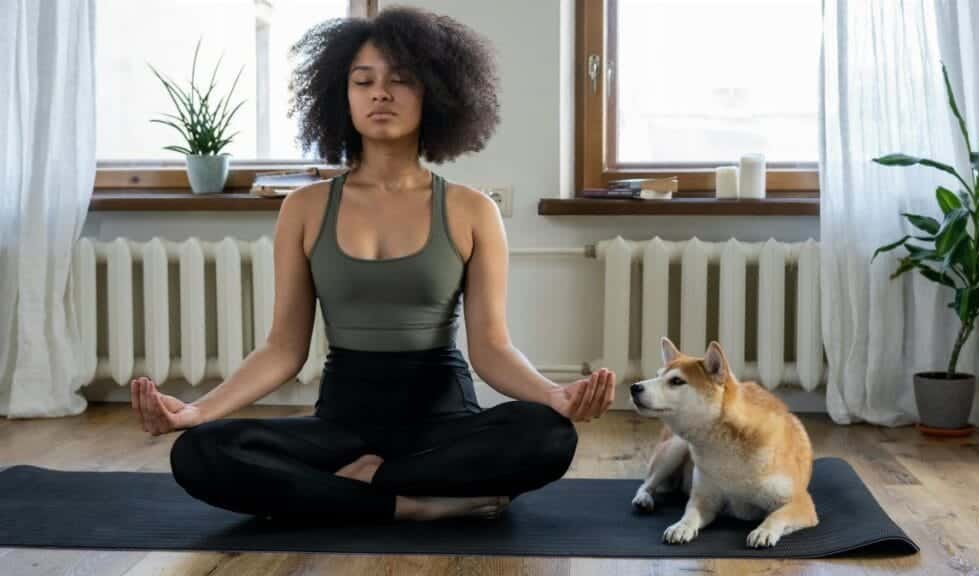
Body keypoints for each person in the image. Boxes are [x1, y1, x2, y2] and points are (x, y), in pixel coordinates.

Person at [129, 6, 616, 524]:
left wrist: (553, 395)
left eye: (401, 80)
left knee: (547, 437)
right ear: (342, 97)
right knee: (200, 452)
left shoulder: (472, 210)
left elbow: (491, 348)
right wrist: (199, 410)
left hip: (443, 424)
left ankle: (362, 489)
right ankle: (411, 503)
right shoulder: (305, 208)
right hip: (342, 427)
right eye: (363, 81)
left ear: (435, 94)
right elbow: (283, 349)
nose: (380, 93)